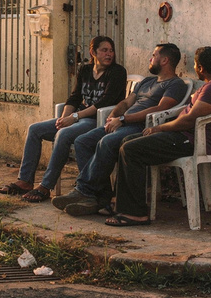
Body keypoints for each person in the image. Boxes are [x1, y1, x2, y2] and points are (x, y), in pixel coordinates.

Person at [104, 46, 211, 226]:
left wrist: (160, 128)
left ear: (200, 68)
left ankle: (135, 213)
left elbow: (189, 120)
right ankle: (120, 203)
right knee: (127, 140)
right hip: (185, 136)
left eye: (196, 65)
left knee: (131, 149)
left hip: (192, 140)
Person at [52, 43, 187, 216]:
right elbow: (126, 103)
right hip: (122, 122)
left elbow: (159, 109)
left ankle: (85, 191)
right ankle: (97, 197)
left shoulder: (175, 84)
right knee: (83, 141)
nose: (150, 59)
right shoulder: (147, 82)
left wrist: (123, 119)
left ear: (165, 60)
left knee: (107, 142)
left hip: (141, 127)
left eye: (154, 55)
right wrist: (113, 117)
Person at [0, 36, 127, 202]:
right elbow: (74, 98)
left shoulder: (117, 72)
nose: (109, 54)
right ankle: (25, 181)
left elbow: (105, 103)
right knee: (35, 129)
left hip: (97, 120)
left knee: (64, 134)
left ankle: (45, 187)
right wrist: (63, 119)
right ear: (93, 52)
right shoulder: (85, 71)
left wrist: (74, 117)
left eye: (111, 50)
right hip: (78, 117)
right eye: (104, 50)